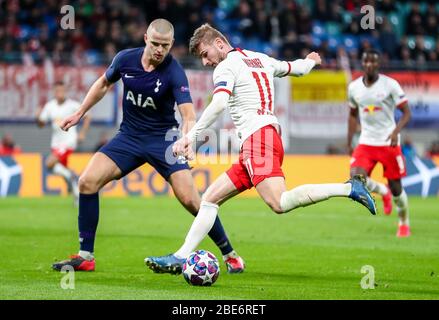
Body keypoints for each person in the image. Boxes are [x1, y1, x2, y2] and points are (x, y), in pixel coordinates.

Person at [145, 24, 377, 274]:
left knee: (280, 202)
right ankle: (181, 257)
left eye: (205, 54)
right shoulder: (260, 58)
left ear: (219, 44)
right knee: (210, 199)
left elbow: (220, 102)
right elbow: (295, 69)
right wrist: (310, 61)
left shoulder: (226, 66)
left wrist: (191, 137)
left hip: (259, 140)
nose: (205, 62)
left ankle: (348, 188)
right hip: (261, 140)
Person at [52, 19, 245, 273]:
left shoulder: (174, 71)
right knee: (87, 182)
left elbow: (187, 114)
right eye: (155, 43)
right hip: (129, 137)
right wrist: (80, 113)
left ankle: (230, 254)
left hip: (163, 141)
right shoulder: (125, 60)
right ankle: (85, 256)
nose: (159, 50)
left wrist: (188, 140)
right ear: (145, 39)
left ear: (171, 44)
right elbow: (103, 84)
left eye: (164, 45)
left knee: (192, 199)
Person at [347, 49, 412, 237]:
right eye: (366, 61)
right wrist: (349, 140)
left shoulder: (390, 85)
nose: (369, 65)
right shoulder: (354, 88)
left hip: (388, 143)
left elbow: (407, 112)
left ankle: (403, 222)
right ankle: (383, 192)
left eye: (373, 62)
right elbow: (352, 115)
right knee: (356, 178)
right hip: (366, 142)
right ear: (362, 63)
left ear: (379, 63)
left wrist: (395, 132)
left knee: (397, 189)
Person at [36, 81, 90, 205]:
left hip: (69, 142)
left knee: (49, 163)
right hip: (56, 144)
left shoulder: (72, 105)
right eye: (57, 91)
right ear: (54, 92)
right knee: (59, 169)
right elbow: (41, 124)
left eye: (62, 90)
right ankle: (74, 189)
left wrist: (82, 133)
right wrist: (38, 117)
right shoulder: (50, 106)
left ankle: (70, 178)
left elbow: (87, 116)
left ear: (65, 91)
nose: (60, 93)